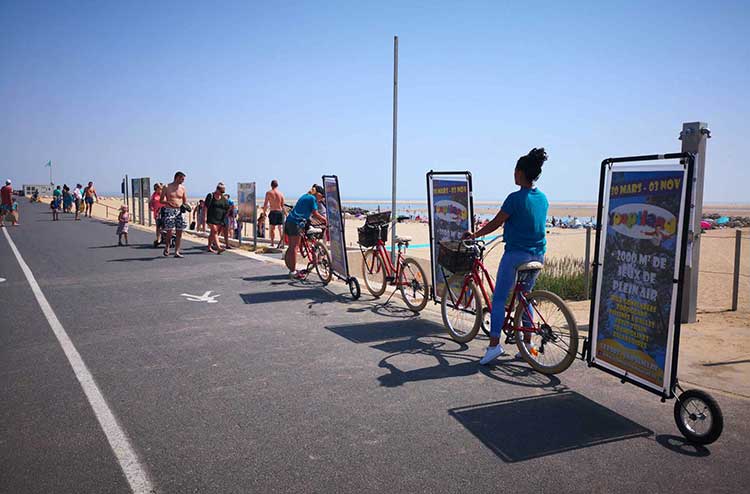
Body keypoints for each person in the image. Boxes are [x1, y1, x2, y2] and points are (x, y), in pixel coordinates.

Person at [464, 148, 549, 365]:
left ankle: (494, 346)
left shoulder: (514, 198)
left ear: (521, 173)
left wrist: (475, 234)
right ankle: (527, 345)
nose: (513, 173)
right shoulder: (543, 198)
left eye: (515, 170)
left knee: (500, 298)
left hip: (516, 256)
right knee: (525, 297)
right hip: (538, 255)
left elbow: (495, 223)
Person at [283, 184, 327, 279]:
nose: (322, 199)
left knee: (291, 247)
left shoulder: (305, 196)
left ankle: (291, 270)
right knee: (295, 247)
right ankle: (294, 272)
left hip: (290, 221)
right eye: (322, 196)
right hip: (296, 223)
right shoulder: (312, 199)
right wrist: (325, 220)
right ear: (318, 194)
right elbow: (315, 213)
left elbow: (304, 211)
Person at [159, 171, 188, 258]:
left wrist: (185, 207)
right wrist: (169, 202)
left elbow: (184, 201)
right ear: (177, 177)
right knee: (169, 231)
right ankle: (167, 246)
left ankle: (177, 251)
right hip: (169, 210)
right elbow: (161, 200)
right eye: (182, 179)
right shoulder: (167, 187)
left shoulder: (182, 188)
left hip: (180, 210)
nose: (183, 181)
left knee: (179, 231)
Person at [205, 183, 229, 254]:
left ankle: (209, 247)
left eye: (223, 191)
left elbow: (227, 207)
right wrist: (204, 217)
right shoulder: (210, 196)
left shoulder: (223, 198)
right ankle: (219, 247)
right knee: (215, 231)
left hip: (219, 219)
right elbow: (205, 207)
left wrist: (225, 215)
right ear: (217, 189)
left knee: (212, 233)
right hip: (211, 217)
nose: (222, 193)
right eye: (222, 191)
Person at [263, 180, 285, 247]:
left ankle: (272, 243)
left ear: (271, 185)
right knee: (280, 228)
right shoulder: (281, 194)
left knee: (272, 228)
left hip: (273, 212)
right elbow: (282, 205)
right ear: (277, 185)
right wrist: (285, 213)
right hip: (280, 212)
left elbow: (265, 204)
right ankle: (282, 243)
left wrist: (264, 212)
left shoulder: (269, 193)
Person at [150, 183, 164, 247]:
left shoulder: (164, 194)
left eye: (161, 188)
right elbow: (151, 202)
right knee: (158, 226)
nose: (160, 190)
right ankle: (158, 239)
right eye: (158, 188)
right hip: (157, 212)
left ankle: (164, 238)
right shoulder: (154, 195)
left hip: (165, 211)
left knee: (165, 226)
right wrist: (151, 207)